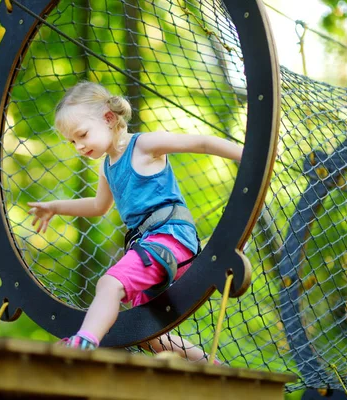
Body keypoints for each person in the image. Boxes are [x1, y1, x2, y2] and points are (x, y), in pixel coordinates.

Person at [28, 81, 243, 362]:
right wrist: (55, 207)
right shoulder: (107, 167)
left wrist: (248, 156)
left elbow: (200, 142)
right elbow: (97, 206)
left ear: (108, 118)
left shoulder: (143, 146)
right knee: (145, 332)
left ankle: (84, 342)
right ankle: (213, 367)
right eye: (72, 142)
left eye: (82, 135)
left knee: (109, 284)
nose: (79, 146)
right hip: (150, 249)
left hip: (171, 239)